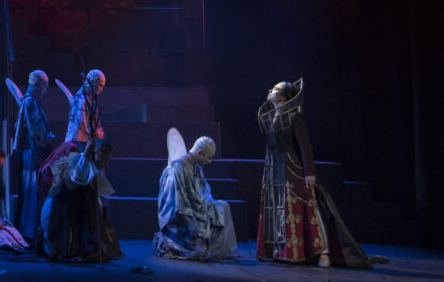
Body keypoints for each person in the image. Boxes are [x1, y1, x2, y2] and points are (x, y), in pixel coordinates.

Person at [257, 80, 387, 269]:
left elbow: (305, 145)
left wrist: (310, 172)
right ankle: (283, 251)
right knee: (278, 210)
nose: (270, 90)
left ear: (283, 97)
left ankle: (322, 253)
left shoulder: (294, 116)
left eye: (275, 89)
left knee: (306, 207)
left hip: (291, 168)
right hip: (273, 170)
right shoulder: (271, 117)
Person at [153, 136, 238, 260]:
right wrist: (196, 220)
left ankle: (223, 251)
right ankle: (170, 242)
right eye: (209, 157)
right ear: (200, 153)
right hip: (180, 220)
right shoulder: (176, 169)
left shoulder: (197, 169)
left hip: (197, 211)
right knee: (199, 247)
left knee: (224, 206)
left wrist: (208, 209)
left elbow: (204, 194)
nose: (210, 162)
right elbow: (176, 206)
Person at [40, 138, 122, 262]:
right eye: (102, 158)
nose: (105, 163)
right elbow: (76, 180)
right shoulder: (77, 162)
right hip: (57, 214)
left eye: (107, 159)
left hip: (70, 213)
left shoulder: (90, 167)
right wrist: (87, 153)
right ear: (93, 153)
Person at [13, 70, 54, 237]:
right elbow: (34, 129)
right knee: (31, 189)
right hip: (31, 151)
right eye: (44, 86)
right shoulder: (30, 102)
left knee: (32, 189)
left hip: (31, 151)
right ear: (37, 85)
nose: (45, 90)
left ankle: (29, 229)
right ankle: (28, 230)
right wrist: (47, 137)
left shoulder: (29, 102)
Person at [65, 70, 106, 147]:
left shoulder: (89, 100)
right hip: (80, 143)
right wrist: (97, 133)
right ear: (92, 82)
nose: (101, 89)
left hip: (84, 143)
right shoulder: (81, 101)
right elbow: (82, 123)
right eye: (100, 85)